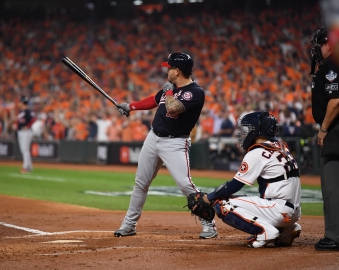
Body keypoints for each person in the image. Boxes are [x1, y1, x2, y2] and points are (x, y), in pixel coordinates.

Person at [115, 52, 218, 239]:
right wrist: (130, 106)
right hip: (153, 138)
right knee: (141, 183)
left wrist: (169, 91)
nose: (167, 70)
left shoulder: (195, 92)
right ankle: (129, 224)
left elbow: (172, 107)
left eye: (169, 68)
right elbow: (154, 101)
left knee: (186, 185)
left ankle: (209, 224)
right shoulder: (169, 88)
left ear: (177, 71)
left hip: (175, 143)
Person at [196, 111, 301, 248]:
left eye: (247, 129)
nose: (243, 133)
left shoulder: (258, 152)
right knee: (241, 199)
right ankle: (287, 228)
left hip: (278, 209)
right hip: (293, 212)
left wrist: (209, 197)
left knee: (222, 204)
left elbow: (235, 185)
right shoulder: (281, 146)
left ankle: (265, 232)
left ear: (258, 130)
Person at [310, 28, 339, 251]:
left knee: (331, 186)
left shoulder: (331, 66)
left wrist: (323, 129)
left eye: (319, 45)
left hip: (336, 133)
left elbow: (335, 101)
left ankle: (334, 236)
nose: (316, 50)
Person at [16, 96, 36, 173]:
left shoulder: (27, 111)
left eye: (20, 101)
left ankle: (26, 167)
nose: (19, 103)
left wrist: (27, 126)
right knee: (23, 150)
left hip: (26, 132)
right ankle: (29, 166)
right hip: (20, 131)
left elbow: (34, 118)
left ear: (23, 102)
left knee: (25, 149)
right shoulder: (21, 111)